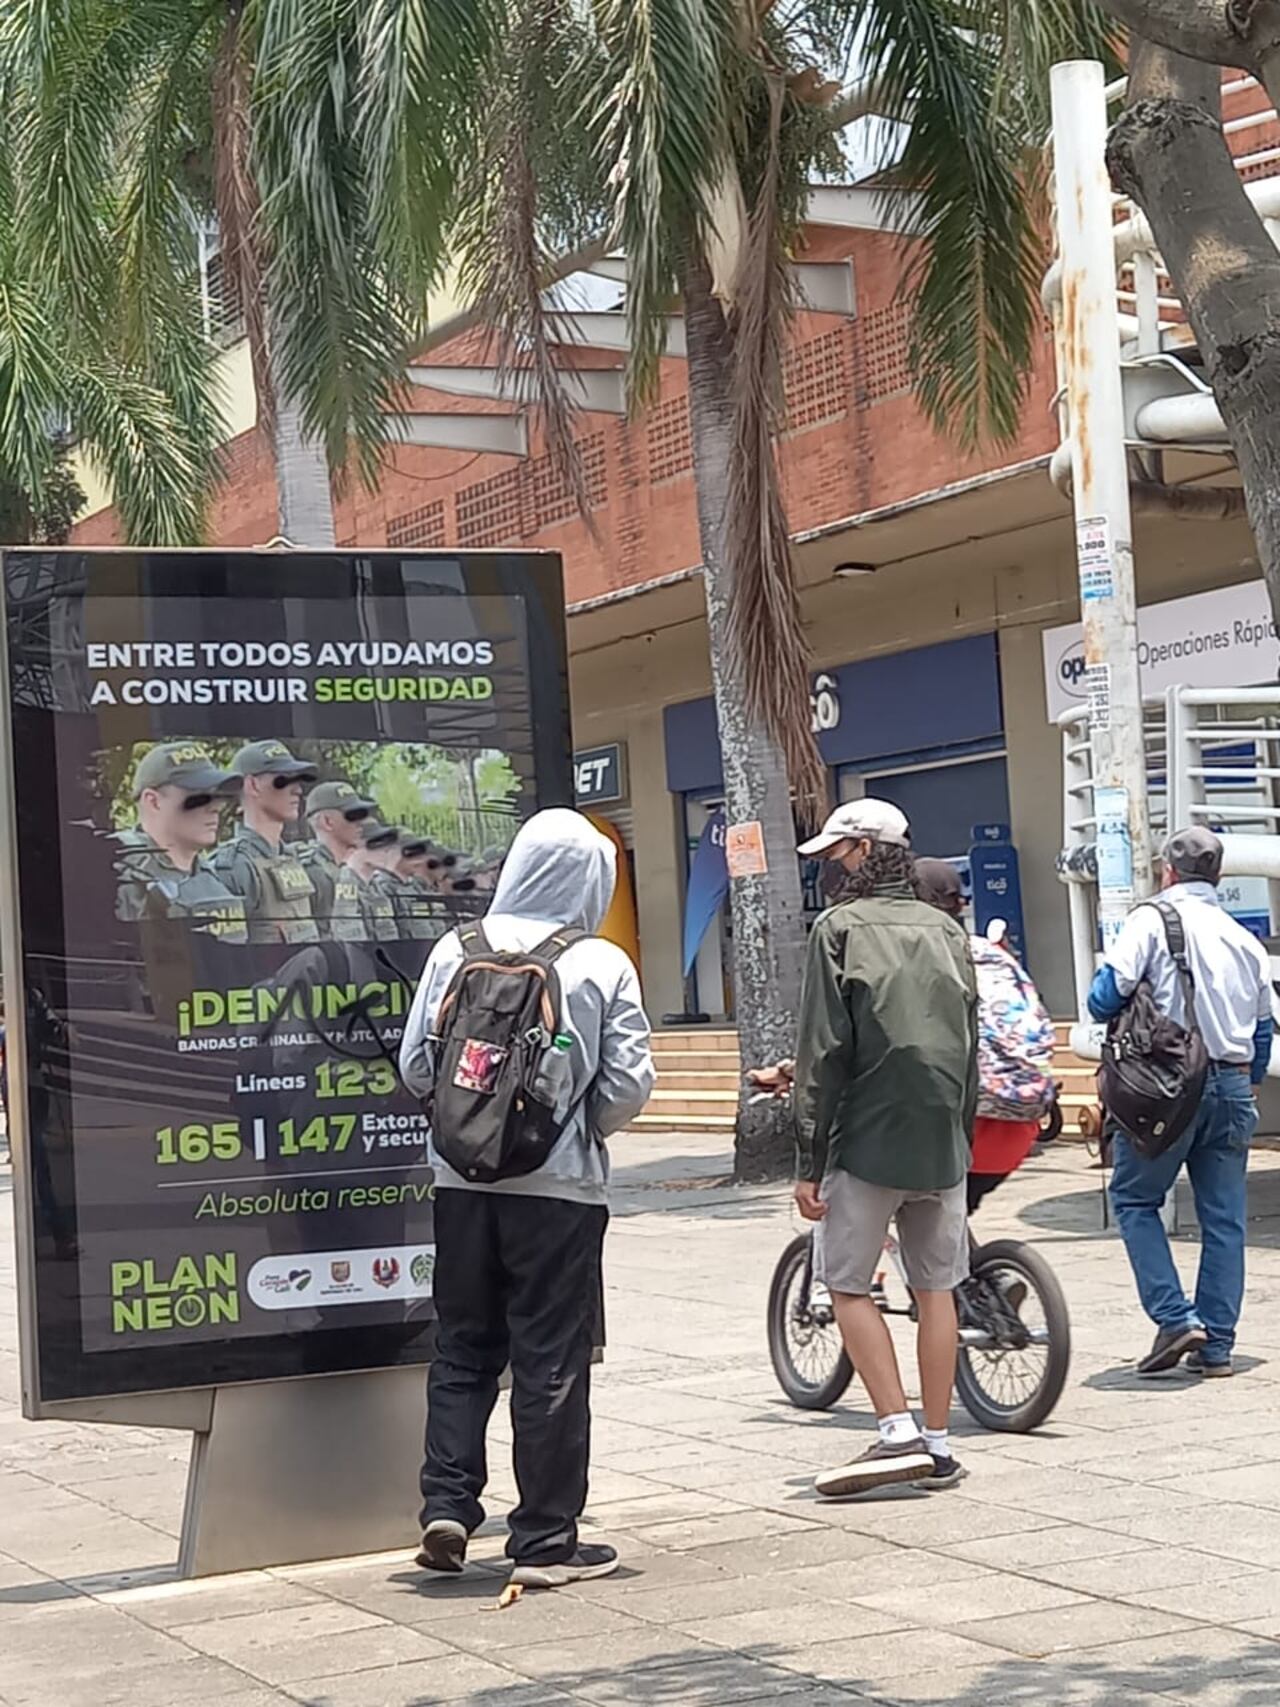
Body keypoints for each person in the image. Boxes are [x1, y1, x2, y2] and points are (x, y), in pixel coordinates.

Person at [399, 809, 654, 1588]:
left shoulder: (456, 949)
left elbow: (417, 1065)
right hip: (559, 1192)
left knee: (463, 1346)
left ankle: (447, 1503)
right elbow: (628, 1084)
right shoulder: (600, 961)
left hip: (459, 1184)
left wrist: (473, 1129)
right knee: (550, 1356)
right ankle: (545, 1537)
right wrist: (569, 1129)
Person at [787, 800, 978, 1497]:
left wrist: (808, 1160)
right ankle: (938, 1441)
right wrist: (962, 1132)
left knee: (846, 1282)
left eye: (837, 854)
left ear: (865, 851)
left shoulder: (837, 928)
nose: (831, 869)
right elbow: (970, 1042)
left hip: (867, 1133)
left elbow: (823, 1052)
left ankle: (895, 1430)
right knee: (936, 1289)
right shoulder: (948, 930)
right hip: (942, 1136)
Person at [1088, 826, 1273, 1377]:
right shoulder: (1244, 939)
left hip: (1168, 1089)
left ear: (1167, 872)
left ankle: (1174, 1317)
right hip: (1233, 1086)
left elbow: (1105, 997)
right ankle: (1216, 1347)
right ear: (1218, 876)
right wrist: (1245, 1083)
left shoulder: (1152, 919)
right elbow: (1263, 1030)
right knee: (1224, 1220)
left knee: (1134, 1200)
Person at [912, 860, 1054, 1212]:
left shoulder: (915, 960)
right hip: (1021, 1123)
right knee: (953, 1223)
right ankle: (975, 1266)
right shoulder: (995, 956)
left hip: (959, 1131)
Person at [114, 743, 248, 941]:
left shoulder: (213, 877)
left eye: (216, 796)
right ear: (153, 801)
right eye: (200, 797)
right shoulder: (119, 879)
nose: (216, 808)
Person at [211, 741, 319, 945]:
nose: (298, 790)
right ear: (252, 785)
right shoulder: (234, 867)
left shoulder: (291, 858)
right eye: (284, 780)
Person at [300, 780, 376, 942]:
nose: (360, 823)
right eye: (352, 815)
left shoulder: (349, 871)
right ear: (327, 822)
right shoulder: (313, 873)